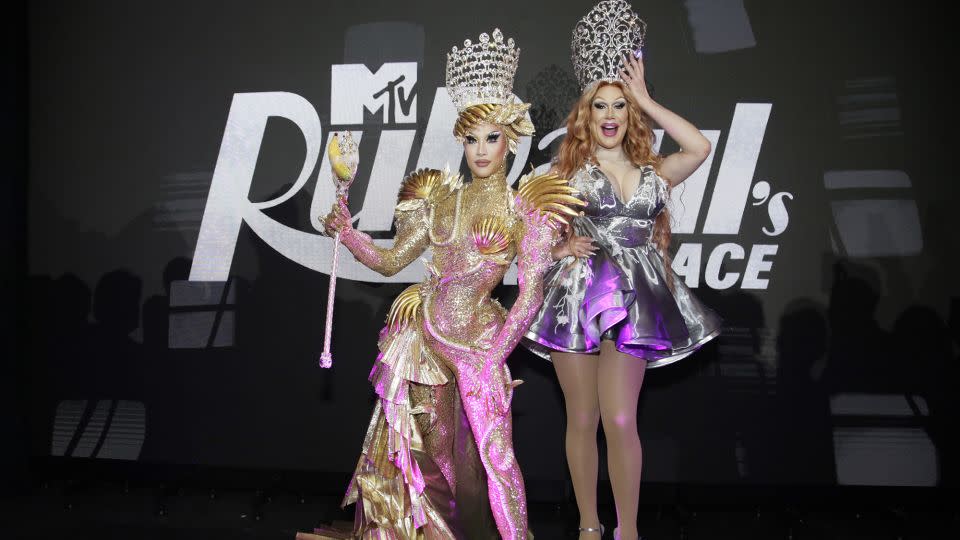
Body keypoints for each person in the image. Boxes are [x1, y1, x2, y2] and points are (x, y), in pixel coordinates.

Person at [303, 28, 583, 540]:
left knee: (497, 460)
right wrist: (347, 231)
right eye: (472, 139)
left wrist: (494, 354)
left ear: (510, 140)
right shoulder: (439, 198)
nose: (481, 150)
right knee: (431, 459)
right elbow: (390, 263)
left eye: (492, 138)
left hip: (478, 343)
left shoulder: (525, 208)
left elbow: (531, 294)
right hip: (424, 338)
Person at [523, 2, 722, 539]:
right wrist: (559, 252)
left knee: (619, 420)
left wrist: (647, 99)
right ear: (586, 116)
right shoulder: (563, 171)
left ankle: (628, 530)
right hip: (577, 299)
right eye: (600, 106)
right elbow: (526, 240)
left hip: (637, 303)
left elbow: (700, 146)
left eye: (618, 105)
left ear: (627, 113)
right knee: (582, 421)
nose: (609, 115)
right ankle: (590, 526)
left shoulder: (655, 172)